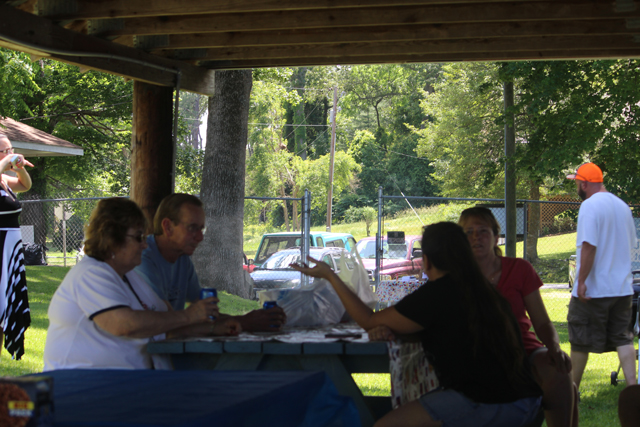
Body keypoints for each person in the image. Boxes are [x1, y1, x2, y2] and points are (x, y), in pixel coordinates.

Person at [293, 222, 542, 427]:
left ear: (426, 261)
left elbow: (368, 320)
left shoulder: (437, 293)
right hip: (527, 402)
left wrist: (330, 275)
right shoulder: (485, 290)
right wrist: (394, 330)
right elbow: (451, 330)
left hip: (484, 406)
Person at [43, 198, 240, 370]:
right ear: (112, 237)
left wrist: (213, 329)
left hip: (125, 386)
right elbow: (124, 324)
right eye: (138, 237)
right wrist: (189, 315)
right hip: (82, 386)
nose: (145, 245)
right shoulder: (91, 274)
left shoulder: (128, 276)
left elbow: (165, 325)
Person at [459, 206, 577, 427]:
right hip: (477, 354)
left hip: (525, 349)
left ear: (496, 237)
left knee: (559, 371)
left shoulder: (519, 269)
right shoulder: (454, 276)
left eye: (483, 231)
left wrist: (554, 348)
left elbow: (542, 321)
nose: (476, 237)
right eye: (468, 232)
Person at [134, 193, 286, 331]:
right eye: (192, 228)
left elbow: (207, 315)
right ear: (168, 227)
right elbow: (167, 324)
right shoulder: (142, 259)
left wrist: (256, 319)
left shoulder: (182, 258)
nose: (200, 237)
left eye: (202, 229)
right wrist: (244, 322)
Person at [566, 162, 638, 390]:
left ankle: (571, 392)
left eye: (577, 182)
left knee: (579, 341)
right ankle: (633, 389)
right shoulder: (622, 206)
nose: (576, 186)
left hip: (595, 289)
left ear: (584, 184)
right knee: (623, 338)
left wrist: (582, 280)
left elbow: (589, 245)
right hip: (622, 289)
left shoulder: (589, 206)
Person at [0, 134, 33, 360]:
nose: (9, 153)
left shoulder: (4, 180)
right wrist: (9, 160)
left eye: (11, 148)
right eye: (4, 150)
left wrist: (19, 168)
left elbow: (25, 184)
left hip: (10, 253)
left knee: (5, 316)